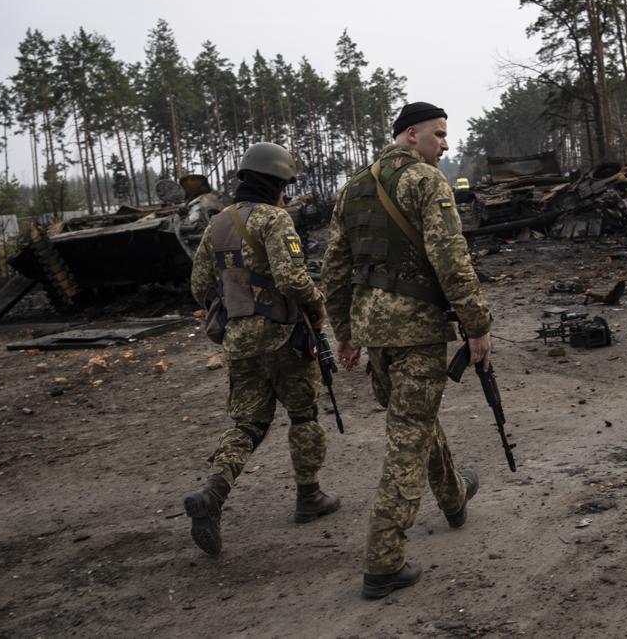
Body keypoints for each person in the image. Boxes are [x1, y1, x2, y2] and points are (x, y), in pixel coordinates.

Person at [321, 102, 492, 598]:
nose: (445, 144)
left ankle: (454, 496)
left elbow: (335, 266)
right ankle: (383, 561)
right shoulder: (425, 182)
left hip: (376, 335)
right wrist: (477, 324)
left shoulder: (354, 185)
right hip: (416, 332)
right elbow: (451, 259)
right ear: (411, 135)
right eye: (439, 135)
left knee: (412, 420)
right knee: (407, 440)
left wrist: (347, 330)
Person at [184, 142, 340, 558]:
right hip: (284, 335)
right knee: (304, 414)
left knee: (249, 423)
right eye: (285, 185)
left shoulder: (216, 224)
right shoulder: (276, 220)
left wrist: (237, 306)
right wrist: (317, 302)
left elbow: (199, 287)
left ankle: (213, 493)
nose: (287, 193)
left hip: (237, 341)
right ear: (276, 184)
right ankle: (309, 496)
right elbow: (291, 277)